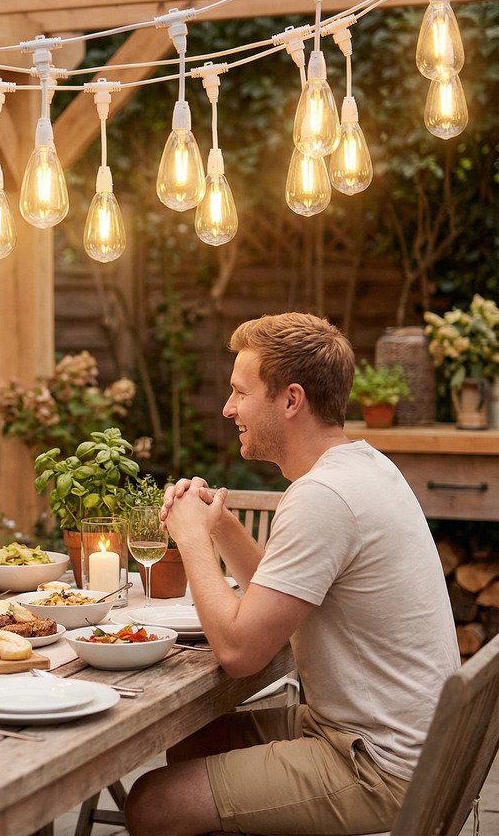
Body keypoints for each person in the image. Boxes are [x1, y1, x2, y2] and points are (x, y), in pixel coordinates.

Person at [125, 312, 459, 836]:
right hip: (391, 739)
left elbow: (239, 653)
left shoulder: (323, 497)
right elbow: (286, 596)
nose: (227, 407)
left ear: (290, 400)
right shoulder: (362, 465)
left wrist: (190, 539)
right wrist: (221, 528)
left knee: (152, 803)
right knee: (193, 738)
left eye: (240, 392)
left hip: (381, 767)